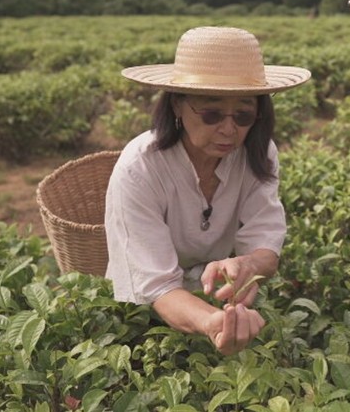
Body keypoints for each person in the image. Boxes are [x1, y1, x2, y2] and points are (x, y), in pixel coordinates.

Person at [104, 26, 311, 355]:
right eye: (212, 113)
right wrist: (213, 323)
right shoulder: (140, 169)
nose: (229, 129)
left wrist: (247, 266)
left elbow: (264, 241)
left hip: (213, 293)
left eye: (243, 115)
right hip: (146, 310)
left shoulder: (258, 153)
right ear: (177, 106)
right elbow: (157, 287)